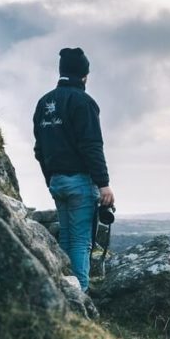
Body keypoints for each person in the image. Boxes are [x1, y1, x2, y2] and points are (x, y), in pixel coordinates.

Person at [33, 47, 115, 292]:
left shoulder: (44, 102)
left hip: (57, 182)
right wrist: (104, 183)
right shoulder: (83, 102)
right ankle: (79, 296)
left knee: (67, 238)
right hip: (80, 182)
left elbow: (39, 149)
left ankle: (65, 291)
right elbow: (91, 145)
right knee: (81, 242)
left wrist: (50, 179)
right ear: (84, 76)